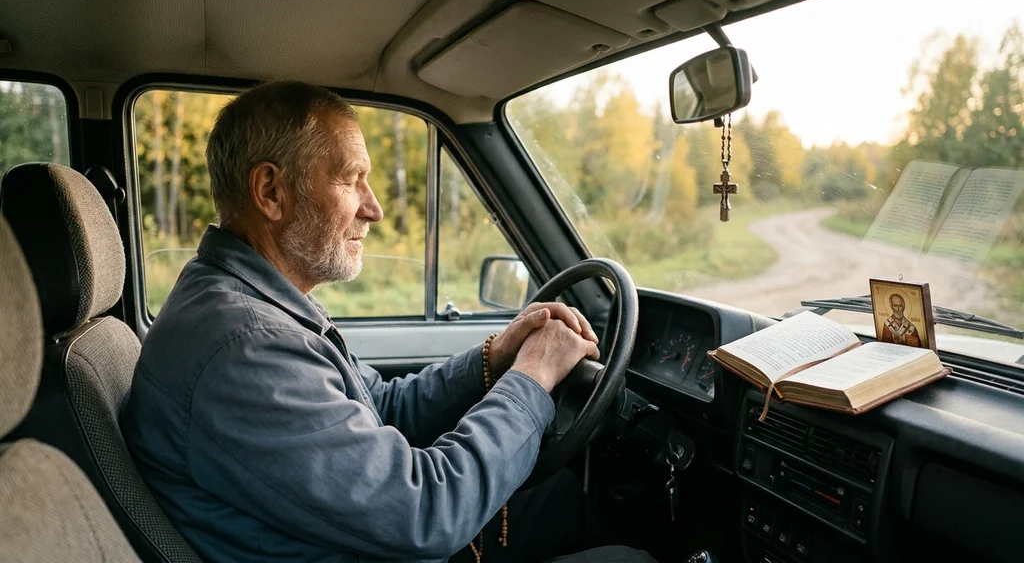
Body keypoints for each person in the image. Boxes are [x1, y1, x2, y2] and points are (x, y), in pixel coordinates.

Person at [120, 81, 656, 563]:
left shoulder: (250, 302)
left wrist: (494, 359)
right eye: (352, 179)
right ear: (271, 192)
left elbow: (382, 407)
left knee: (560, 499)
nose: (373, 209)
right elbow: (426, 512)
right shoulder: (248, 347)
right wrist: (533, 377)